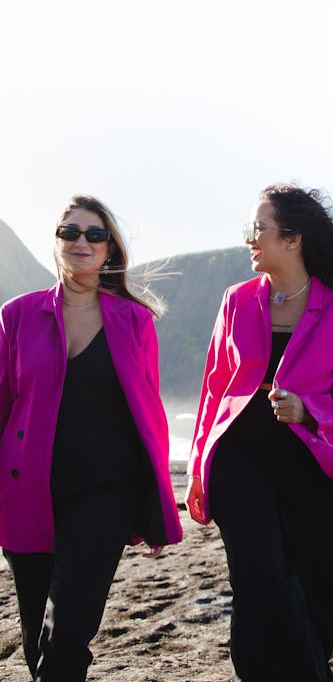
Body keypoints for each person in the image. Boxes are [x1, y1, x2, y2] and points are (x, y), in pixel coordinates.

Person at [185, 184, 333, 682]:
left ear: (293, 239)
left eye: (258, 229)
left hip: (310, 460)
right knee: (258, 576)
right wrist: (200, 464)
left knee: (314, 580)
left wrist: (311, 408)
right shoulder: (236, 300)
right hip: (238, 455)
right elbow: (213, 388)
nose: (250, 239)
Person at [0, 195, 182, 682]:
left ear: (109, 251)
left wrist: (153, 504)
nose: (82, 242)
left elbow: (148, 418)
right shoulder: (17, 315)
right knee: (37, 643)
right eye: (71, 232)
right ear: (57, 241)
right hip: (27, 492)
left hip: (106, 492)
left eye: (95, 234)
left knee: (67, 634)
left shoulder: (135, 321)